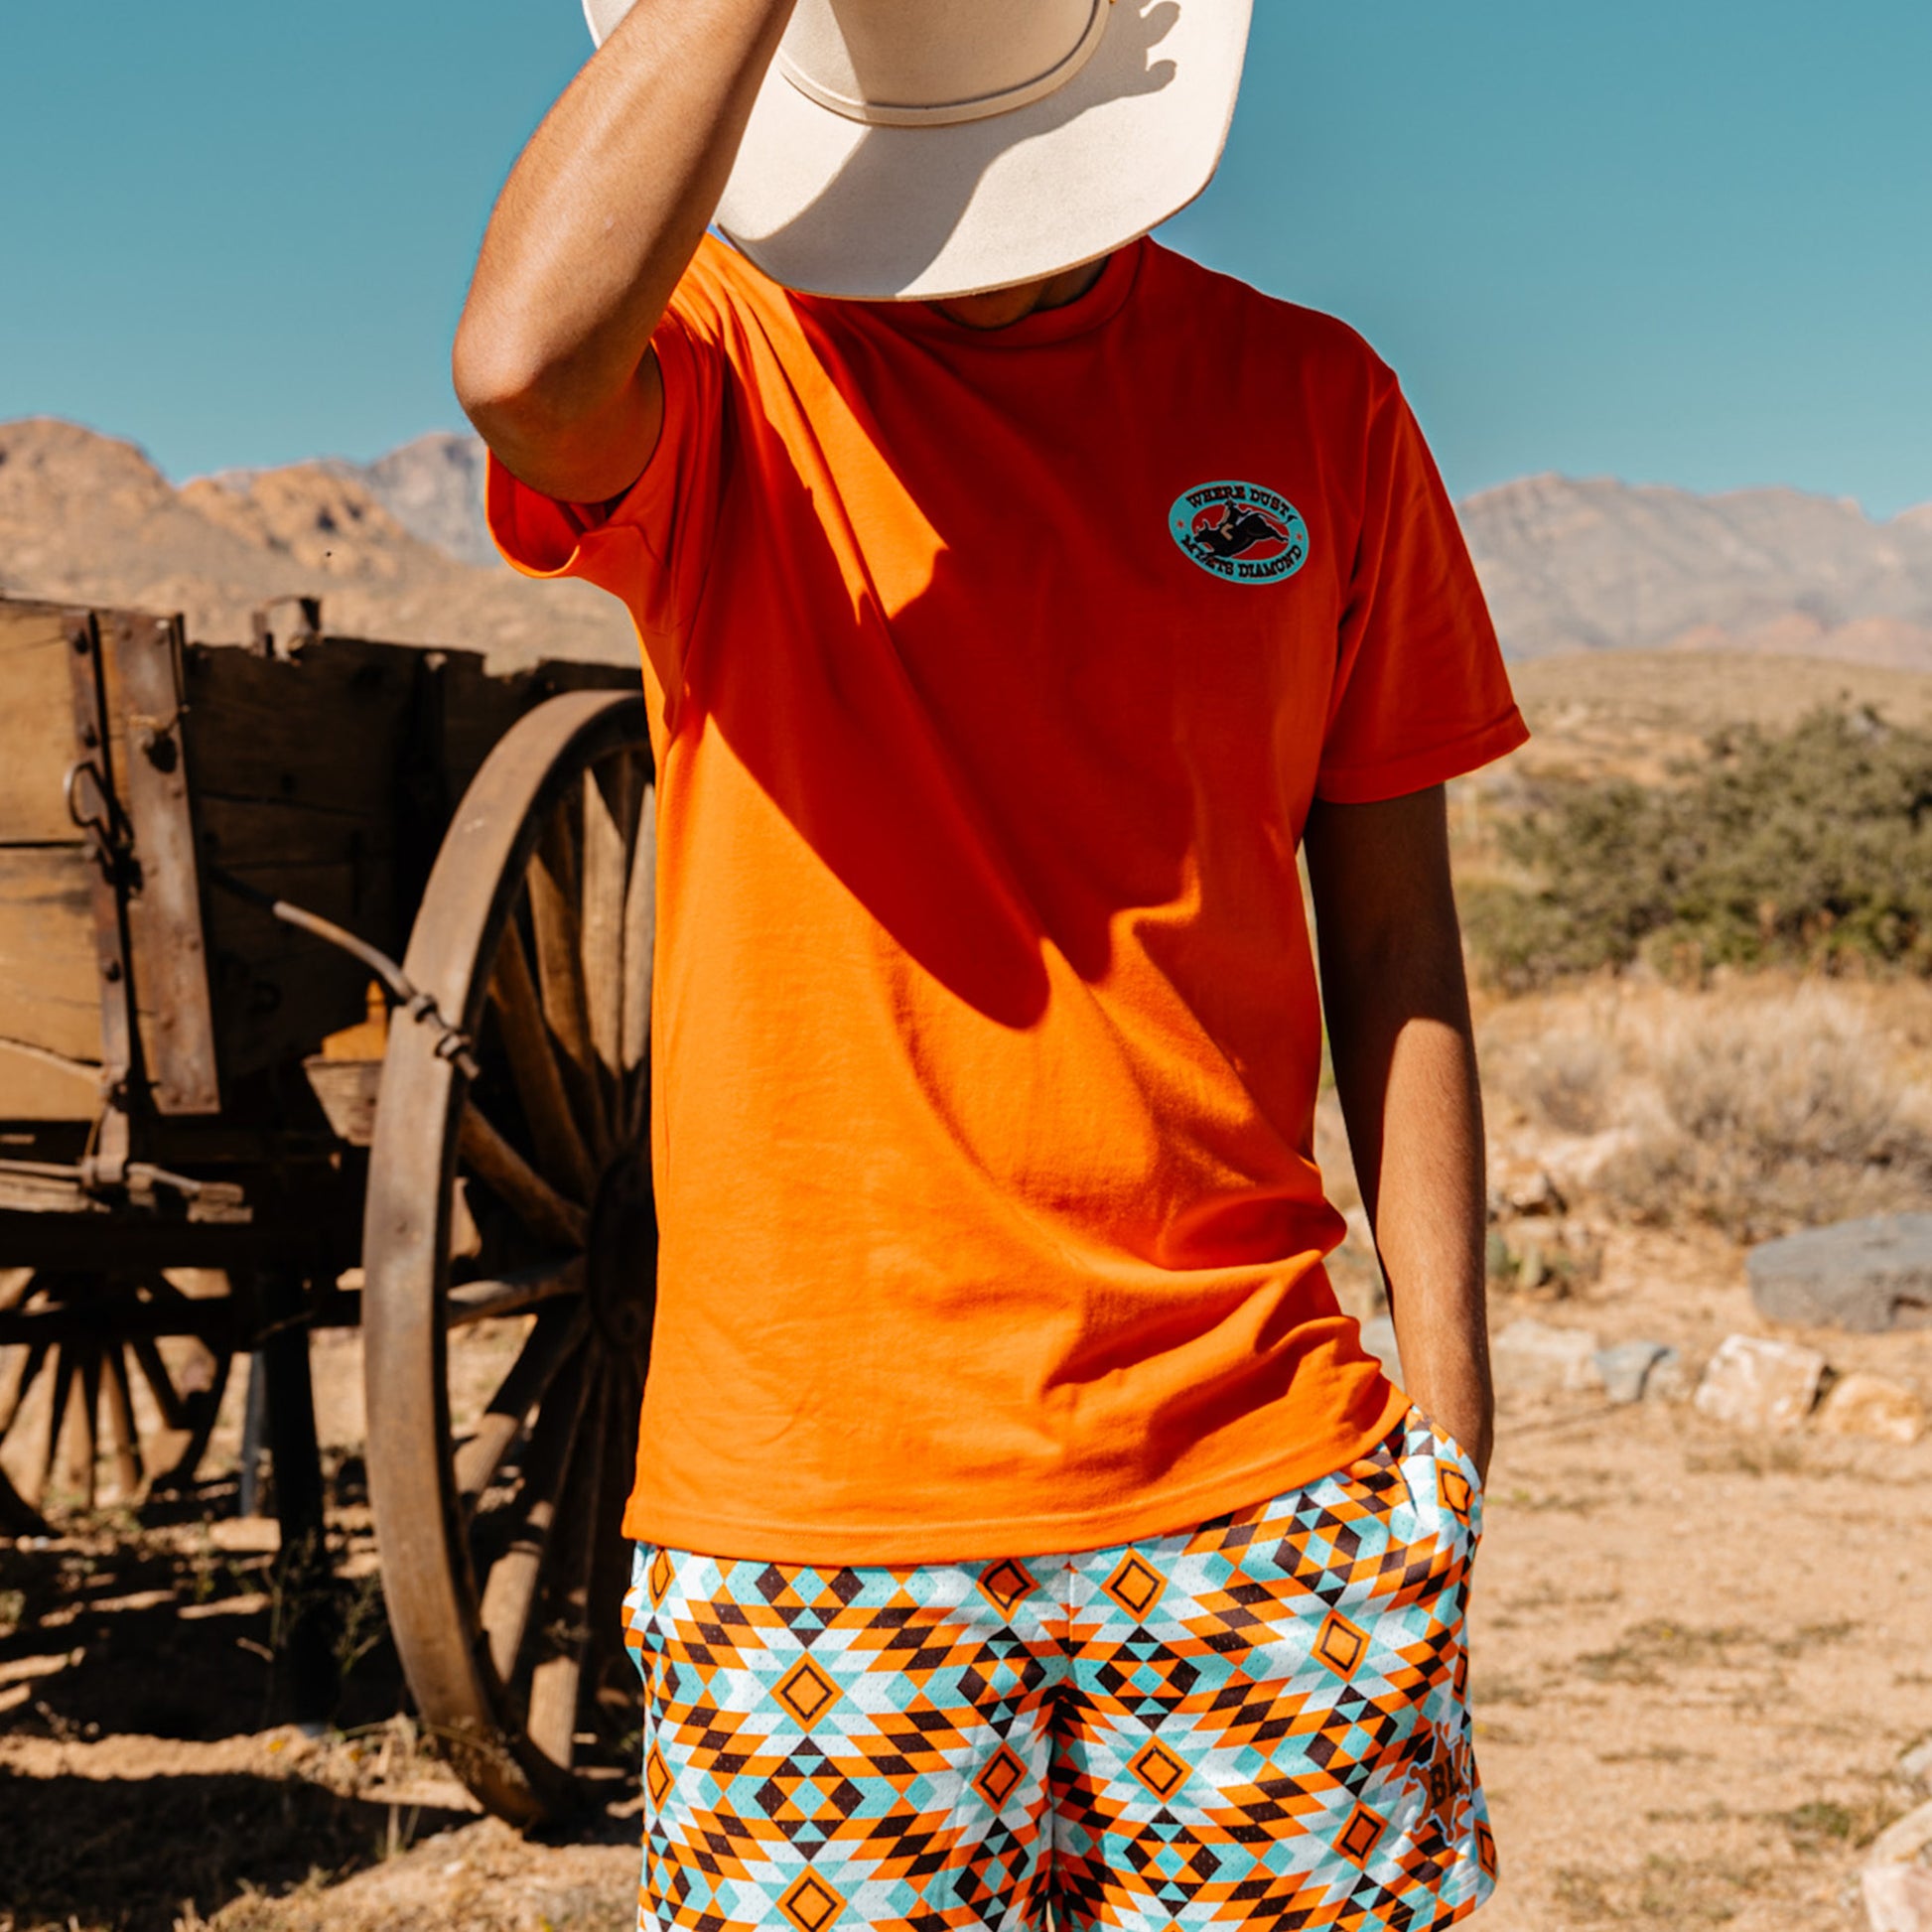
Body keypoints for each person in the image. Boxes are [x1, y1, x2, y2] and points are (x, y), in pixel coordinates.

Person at [456, 0, 1526, 1924]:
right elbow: (522, 365)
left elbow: (1395, 939)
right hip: (808, 1526)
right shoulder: (720, 366)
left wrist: (1445, 1418)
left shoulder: (1316, 402)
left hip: (1262, 1491)